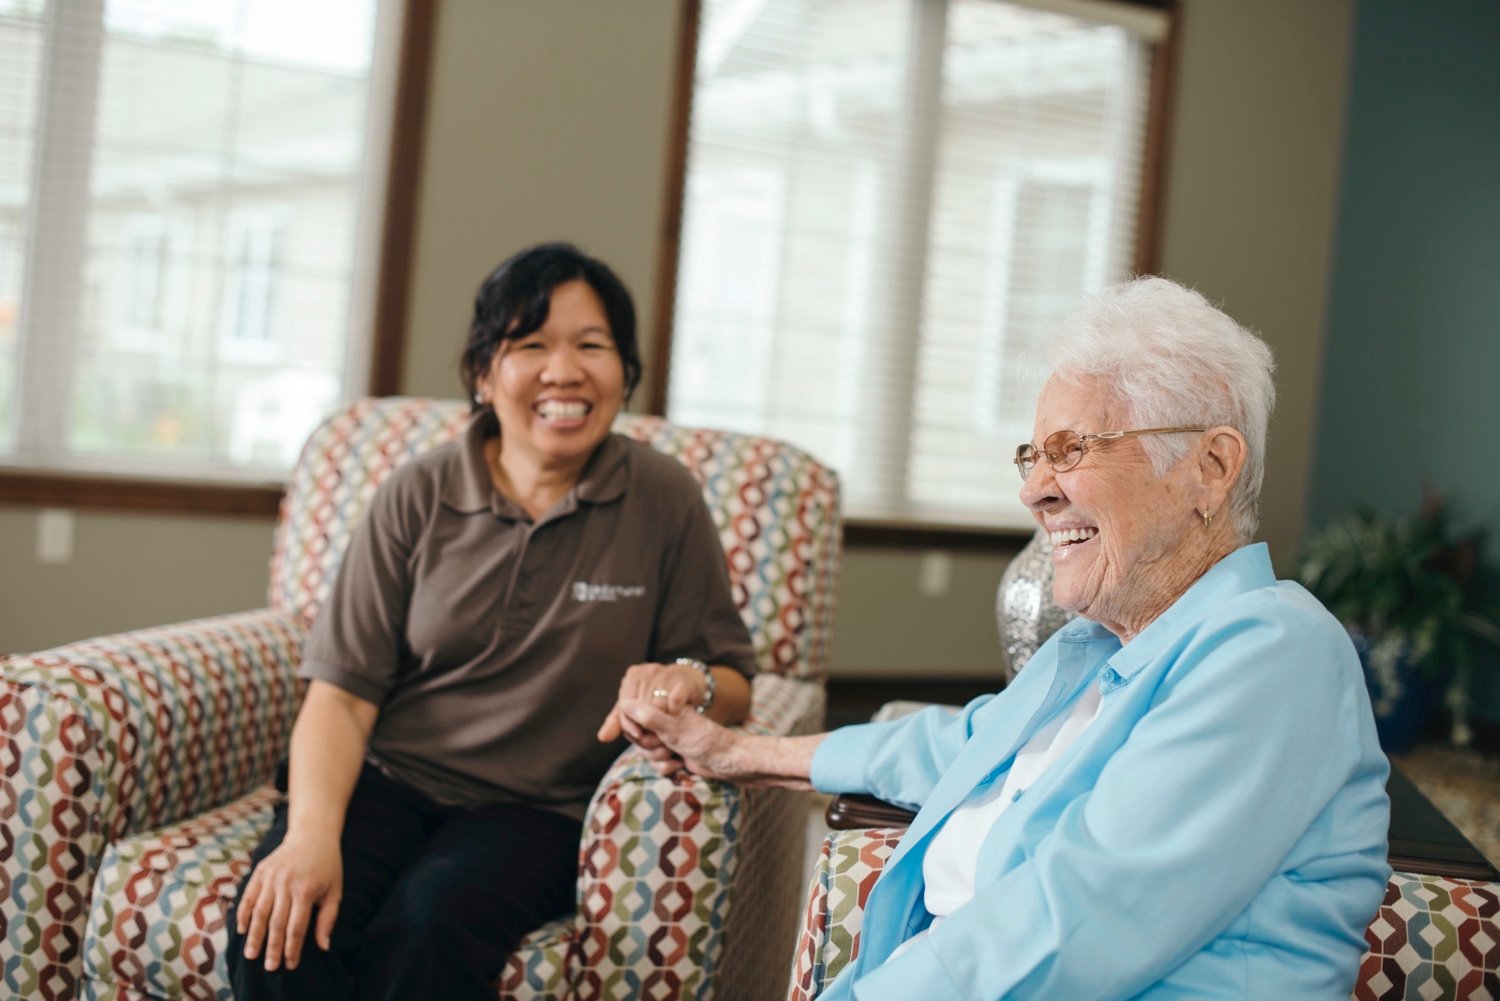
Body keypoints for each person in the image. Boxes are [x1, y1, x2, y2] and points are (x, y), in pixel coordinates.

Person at [621, 277, 1391, 1000]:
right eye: (1033, 454)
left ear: (1211, 467)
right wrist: (737, 753)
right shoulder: (1093, 649)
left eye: (1071, 449)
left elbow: (1073, 922)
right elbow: (958, 747)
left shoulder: (1275, 653)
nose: (1033, 489)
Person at [226, 242, 756, 1001]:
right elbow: (341, 695)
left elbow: (734, 683)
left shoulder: (663, 497)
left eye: (592, 346)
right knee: (275, 928)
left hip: (536, 809)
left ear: (625, 372)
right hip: (389, 778)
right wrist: (310, 834)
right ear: (483, 373)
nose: (564, 371)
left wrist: (688, 682)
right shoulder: (417, 493)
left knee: (427, 932)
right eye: (530, 344)